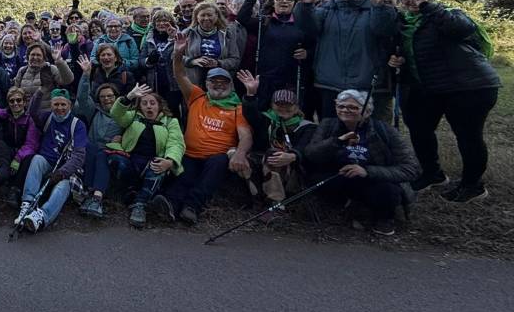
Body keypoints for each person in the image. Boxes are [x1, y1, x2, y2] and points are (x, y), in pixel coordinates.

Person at [390, 0, 502, 202]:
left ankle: (473, 185)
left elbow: (462, 29)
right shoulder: (405, 24)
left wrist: (430, 8)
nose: (408, 0)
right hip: (430, 88)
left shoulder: (448, 13)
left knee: (467, 135)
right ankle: (433, 174)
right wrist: (397, 61)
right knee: (419, 129)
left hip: (468, 86)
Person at [159, 30, 253, 224]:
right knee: (185, 175)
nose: (218, 85)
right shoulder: (197, 96)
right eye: (214, 81)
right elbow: (179, 74)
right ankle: (168, 206)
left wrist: (240, 154)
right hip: (191, 153)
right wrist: (178, 53)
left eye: (223, 82)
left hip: (216, 156)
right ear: (207, 83)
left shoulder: (237, 108)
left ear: (230, 85)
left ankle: (192, 207)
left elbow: (246, 136)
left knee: (215, 167)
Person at [303, 89, 419, 236]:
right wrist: (337, 142)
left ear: (367, 111)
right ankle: (346, 208)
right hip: (340, 175)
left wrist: (367, 171)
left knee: (387, 191)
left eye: (353, 107)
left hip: (373, 180)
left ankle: (384, 218)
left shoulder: (385, 130)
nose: (346, 110)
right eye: (341, 106)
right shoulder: (328, 125)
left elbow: (411, 169)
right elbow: (311, 154)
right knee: (315, 178)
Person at [296, 0, 400, 119]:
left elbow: (384, 30)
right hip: (330, 82)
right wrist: (305, 6)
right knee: (333, 129)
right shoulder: (326, 10)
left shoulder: (374, 9)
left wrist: (380, 8)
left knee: (371, 130)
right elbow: (308, 27)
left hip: (368, 82)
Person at [108, 83, 186, 228]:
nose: (149, 106)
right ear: (140, 107)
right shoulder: (133, 117)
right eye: (144, 103)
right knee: (115, 160)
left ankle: (140, 205)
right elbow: (116, 114)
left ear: (159, 106)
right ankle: (129, 191)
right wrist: (129, 97)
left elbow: (176, 143)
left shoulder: (170, 121)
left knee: (158, 168)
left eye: (152, 103)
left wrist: (169, 161)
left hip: (153, 161)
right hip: (131, 157)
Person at [237, 71, 317, 206]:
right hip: (263, 160)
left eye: (288, 105)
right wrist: (251, 94)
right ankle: (256, 196)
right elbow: (250, 114)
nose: (283, 108)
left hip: (290, 167)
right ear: (272, 105)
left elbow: (304, 147)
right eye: (279, 104)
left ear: (296, 107)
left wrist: (292, 156)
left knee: (273, 155)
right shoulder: (266, 119)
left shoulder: (307, 126)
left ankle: (275, 202)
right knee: (235, 155)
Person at [15, 89, 88, 233]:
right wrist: (40, 93)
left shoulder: (77, 125)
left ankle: (41, 216)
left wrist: (62, 172)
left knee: (64, 186)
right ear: (51, 105)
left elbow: (79, 156)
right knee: (36, 160)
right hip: (47, 161)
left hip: (65, 169)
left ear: (69, 105)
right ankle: (27, 204)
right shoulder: (47, 117)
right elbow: (32, 112)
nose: (59, 108)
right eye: (56, 104)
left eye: (63, 104)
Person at [237, 0, 306, 108]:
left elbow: (313, 43)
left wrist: (307, 52)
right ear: (273, 2)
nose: (284, 1)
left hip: (290, 80)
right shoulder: (264, 22)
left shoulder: (301, 24)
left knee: (286, 114)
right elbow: (242, 19)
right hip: (265, 79)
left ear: (294, 2)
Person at [74, 59, 124, 219]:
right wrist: (86, 74)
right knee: (91, 149)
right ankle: (91, 193)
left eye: (110, 96)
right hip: (93, 149)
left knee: (102, 154)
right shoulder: (94, 111)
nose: (107, 99)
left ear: (116, 97)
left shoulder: (123, 114)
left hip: (113, 152)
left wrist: (123, 138)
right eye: (103, 97)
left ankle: (96, 198)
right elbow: (82, 98)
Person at [177, 1, 242, 88]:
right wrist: (192, 61)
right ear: (196, 17)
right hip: (194, 83)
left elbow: (235, 60)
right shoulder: (187, 33)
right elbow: (175, 57)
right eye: (202, 15)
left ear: (217, 16)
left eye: (209, 15)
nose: (206, 18)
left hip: (220, 83)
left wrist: (218, 63)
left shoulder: (227, 34)